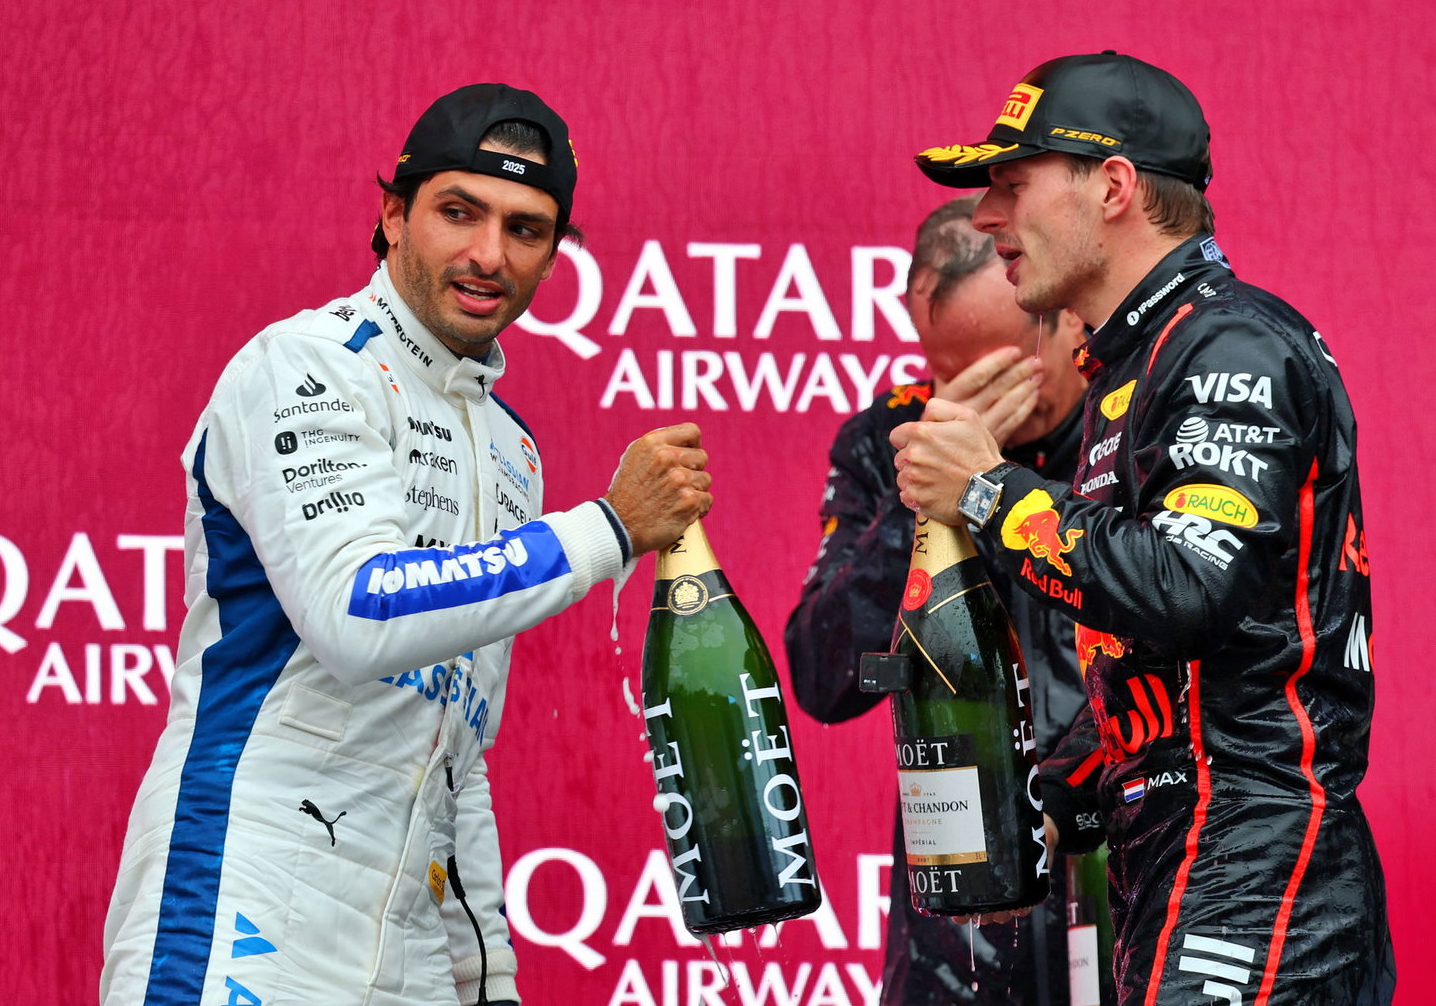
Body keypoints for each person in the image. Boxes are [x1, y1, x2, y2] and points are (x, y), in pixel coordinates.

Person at [100, 84, 712, 1006]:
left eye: (526, 229)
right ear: (393, 215)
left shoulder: (512, 450)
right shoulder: (306, 366)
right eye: (458, 212)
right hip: (248, 898)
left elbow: (454, 750)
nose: (487, 255)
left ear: (554, 257)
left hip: (412, 950)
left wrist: (488, 973)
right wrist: (610, 530)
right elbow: (358, 613)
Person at [894, 51, 1395, 1003]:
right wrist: (1055, 792)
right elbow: (1175, 658)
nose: (987, 217)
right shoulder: (1133, 363)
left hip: (1255, 860)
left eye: (1011, 185)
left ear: (1114, 186)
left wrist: (991, 492)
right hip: (1185, 857)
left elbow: (1191, 587)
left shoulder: (1227, 344)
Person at [784, 194, 1093, 1004]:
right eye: (952, 374)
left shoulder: (1131, 427)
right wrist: (923, 503)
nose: (981, 398)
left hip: (1120, 876)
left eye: (1002, 364)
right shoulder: (887, 440)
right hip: (958, 934)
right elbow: (824, 676)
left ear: (1067, 315)